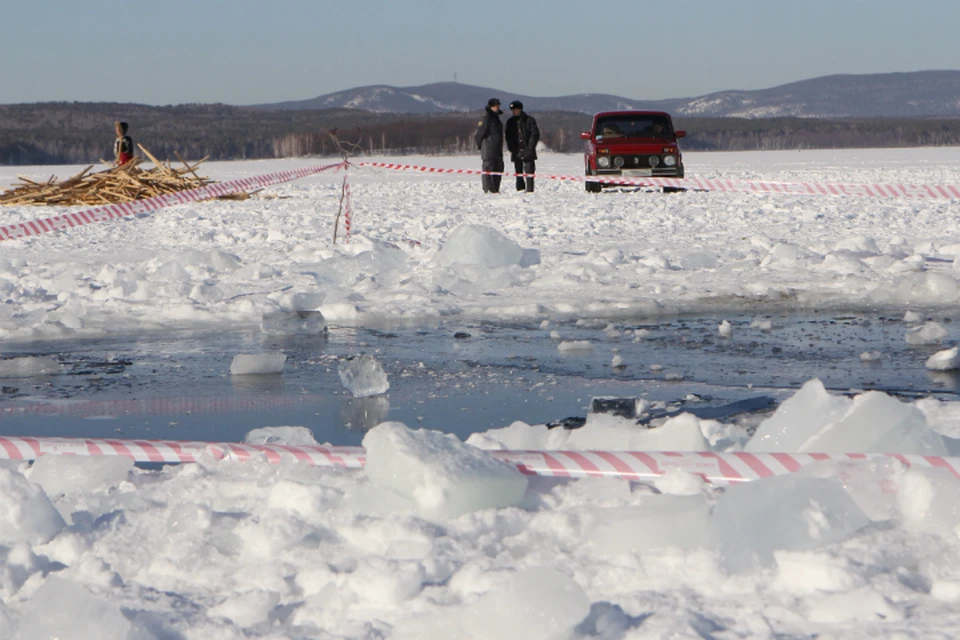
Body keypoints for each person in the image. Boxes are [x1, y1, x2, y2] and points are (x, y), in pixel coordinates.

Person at [505, 100, 540, 192]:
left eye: (516, 110)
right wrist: (511, 147)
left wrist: (530, 147)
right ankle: (520, 189)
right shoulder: (510, 122)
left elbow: (535, 134)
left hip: (528, 150)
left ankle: (530, 190)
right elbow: (508, 136)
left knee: (529, 170)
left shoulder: (529, 120)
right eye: (513, 110)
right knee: (518, 172)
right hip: (516, 150)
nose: (514, 112)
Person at [474, 98, 504, 193]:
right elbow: (479, 135)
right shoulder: (486, 119)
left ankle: (495, 189)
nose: (497, 108)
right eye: (495, 106)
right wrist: (482, 147)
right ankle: (488, 190)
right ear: (491, 107)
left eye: (498, 106)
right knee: (488, 169)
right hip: (488, 150)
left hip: (497, 150)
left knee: (498, 169)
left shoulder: (496, 120)